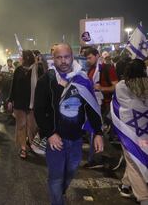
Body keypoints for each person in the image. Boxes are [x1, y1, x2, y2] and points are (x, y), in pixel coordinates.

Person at [34, 43, 104, 205]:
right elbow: (38, 110)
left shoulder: (82, 79)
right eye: (59, 57)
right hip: (56, 140)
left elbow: (91, 106)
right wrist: (50, 133)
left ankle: (60, 193)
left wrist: (98, 132)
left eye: (66, 57)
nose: (63, 61)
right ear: (53, 59)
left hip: (76, 138)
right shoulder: (47, 79)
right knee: (56, 177)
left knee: (71, 171)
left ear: (72, 57)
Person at [111, 59, 148, 204]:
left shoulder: (121, 86)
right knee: (134, 158)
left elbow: (118, 105)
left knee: (133, 161)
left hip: (129, 131)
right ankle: (126, 185)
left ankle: (143, 197)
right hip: (144, 130)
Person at [85, 47, 118, 168]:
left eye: (90, 57)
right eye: (86, 58)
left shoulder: (107, 68)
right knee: (92, 131)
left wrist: (102, 88)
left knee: (96, 131)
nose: (88, 60)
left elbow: (116, 86)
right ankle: (98, 158)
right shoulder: (91, 69)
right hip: (94, 104)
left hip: (105, 104)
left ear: (97, 55)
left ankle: (112, 156)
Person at [8, 50, 41, 159]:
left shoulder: (37, 69)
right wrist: (10, 100)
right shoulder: (18, 70)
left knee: (32, 127)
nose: (19, 58)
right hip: (19, 104)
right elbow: (13, 86)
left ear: (26, 58)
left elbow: (42, 85)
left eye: (21, 56)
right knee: (21, 126)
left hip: (33, 104)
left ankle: (32, 144)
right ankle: (23, 148)